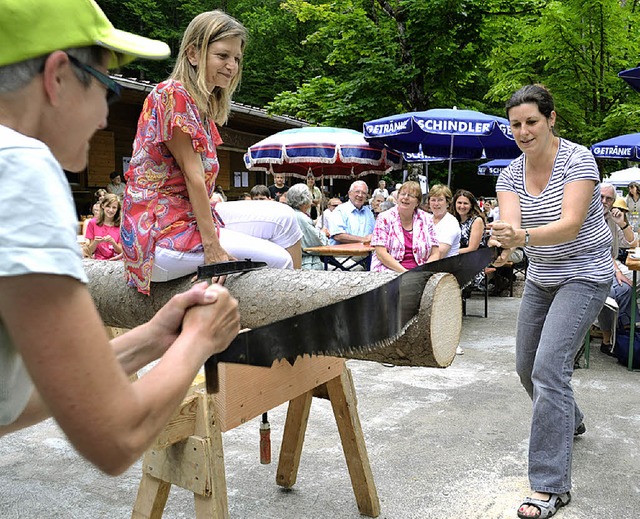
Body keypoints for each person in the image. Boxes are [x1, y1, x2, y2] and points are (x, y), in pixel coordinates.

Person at [0, 0, 240, 476]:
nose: (105, 118)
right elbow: (115, 437)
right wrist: (199, 338)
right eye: (108, 89)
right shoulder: (19, 166)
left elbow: (10, 402)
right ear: (57, 76)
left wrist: (153, 337)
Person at [489, 84, 612, 519]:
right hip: (542, 277)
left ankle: (549, 486)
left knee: (548, 369)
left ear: (551, 119)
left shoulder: (577, 159)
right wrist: (503, 245)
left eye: (531, 122)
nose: (523, 132)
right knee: (527, 367)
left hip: (586, 274)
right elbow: (512, 227)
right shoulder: (509, 175)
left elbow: (571, 225)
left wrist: (520, 238)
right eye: (516, 125)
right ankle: (570, 419)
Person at [121, 11, 303, 294]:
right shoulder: (172, 94)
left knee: (285, 218)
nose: (232, 66)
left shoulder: (201, 107)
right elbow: (195, 178)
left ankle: (299, 305)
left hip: (187, 218)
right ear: (193, 53)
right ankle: (285, 326)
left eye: (237, 58)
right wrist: (213, 249)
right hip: (159, 235)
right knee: (278, 260)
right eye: (222, 56)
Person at [596, 184, 635, 356]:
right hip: (586, 268)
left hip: (607, 267)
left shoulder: (613, 218)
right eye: (601, 197)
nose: (604, 201)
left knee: (627, 288)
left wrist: (623, 223)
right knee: (607, 293)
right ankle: (607, 339)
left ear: (613, 201)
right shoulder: (585, 216)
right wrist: (617, 271)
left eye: (608, 199)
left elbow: (631, 243)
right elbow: (599, 251)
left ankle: (626, 335)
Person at [370, 181, 439, 272]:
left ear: (417, 202)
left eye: (411, 195)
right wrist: (405, 273)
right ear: (398, 197)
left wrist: (423, 272)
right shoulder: (384, 218)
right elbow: (381, 253)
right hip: (388, 271)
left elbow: (435, 253)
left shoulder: (427, 219)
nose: (405, 197)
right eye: (403, 194)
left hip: (420, 272)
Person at [286, 184, 329, 270]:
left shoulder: (290, 213)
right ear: (305, 198)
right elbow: (317, 242)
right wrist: (323, 234)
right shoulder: (301, 218)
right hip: (306, 264)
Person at [328, 180, 375, 245]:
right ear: (349, 194)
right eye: (357, 192)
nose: (360, 195)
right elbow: (338, 236)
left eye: (364, 193)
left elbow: (374, 233)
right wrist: (364, 240)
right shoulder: (340, 210)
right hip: (344, 254)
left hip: (366, 253)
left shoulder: (368, 212)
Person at [85, 193, 123, 260]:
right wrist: (95, 242)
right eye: (108, 206)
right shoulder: (92, 223)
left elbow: (121, 251)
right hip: (98, 262)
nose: (111, 210)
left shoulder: (121, 226)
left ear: (117, 209)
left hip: (116, 263)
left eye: (114, 207)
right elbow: (90, 251)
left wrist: (113, 243)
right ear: (103, 206)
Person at [427, 184, 460, 258]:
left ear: (448, 202)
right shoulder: (426, 219)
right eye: (433, 200)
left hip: (444, 266)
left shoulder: (451, 223)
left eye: (440, 200)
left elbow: (440, 253)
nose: (436, 204)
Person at [452, 189, 487, 254]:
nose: (462, 206)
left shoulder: (477, 221)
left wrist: (450, 253)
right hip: (455, 259)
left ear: (471, 205)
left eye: (465, 203)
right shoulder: (453, 219)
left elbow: (472, 248)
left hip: (473, 259)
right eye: (459, 203)